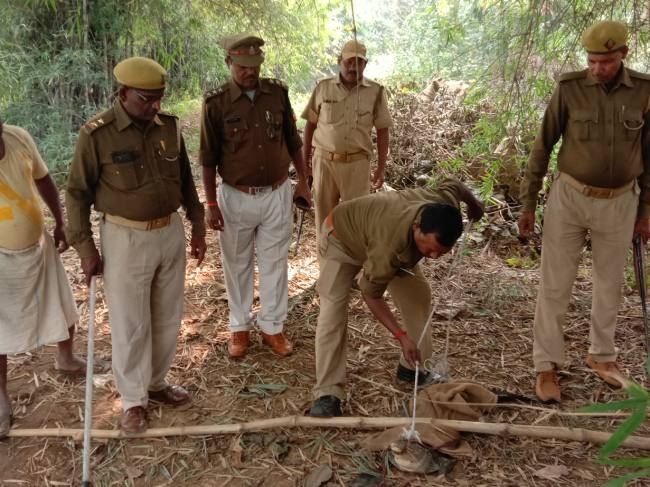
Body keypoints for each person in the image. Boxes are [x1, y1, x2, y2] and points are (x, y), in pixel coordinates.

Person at [65, 57, 207, 433]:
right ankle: (132, 400)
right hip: (125, 237)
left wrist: (198, 224)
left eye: (159, 98)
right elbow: (77, 193)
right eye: (147, 99)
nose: (155, 106)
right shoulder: (97, 134)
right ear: (124, 93)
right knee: (130, 323)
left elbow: (186, 180)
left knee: (166, 315)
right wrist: (86, 249)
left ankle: (156, 384)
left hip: (169, 231)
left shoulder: (169, 127)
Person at [519, 20, 650, 402]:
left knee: (610, 284)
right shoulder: (570, 89)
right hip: (570, 198)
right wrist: (529, 202)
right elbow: (542, 146)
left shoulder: (643, 91)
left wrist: (646, 210)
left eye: (605, 61)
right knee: (555, 284)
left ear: (623, 55)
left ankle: (602, 357)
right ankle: (546, 366)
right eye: (592, 61)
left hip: (621, 201)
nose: (597, 69)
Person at [309, 178, 484, 417]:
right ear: (417, 227)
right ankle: (328, 393)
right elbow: (371, 295)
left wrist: (474, 205)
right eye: (429, 249)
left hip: (383, 237)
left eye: (440, 253)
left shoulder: (443, 204)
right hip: (342, 239)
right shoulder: (389, 245)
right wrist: (400, 335)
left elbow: (455, 185)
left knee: (418, 297)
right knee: (332, 312)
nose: (433, 257)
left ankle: (411, 368)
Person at [200, 34, 312, 359]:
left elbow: (293, 141)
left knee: (275, 262)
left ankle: (272, 327)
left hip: (277, 193)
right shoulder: (216, 104)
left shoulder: (277, 94)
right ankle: (239, 327)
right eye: (243, 66)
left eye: (255, 65)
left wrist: (303, 183)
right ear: (229, 64)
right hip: (236, 196)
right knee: (237, 264)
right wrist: (209, 204)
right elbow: (208, 159)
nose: (250, 72)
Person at [0, 119, 84, 438]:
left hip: (37, 245)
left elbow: (44, 178)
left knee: (61, 302)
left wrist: (61, 221)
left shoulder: (19, 137)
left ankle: (67, 358)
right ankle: (1, 401)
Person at [302, 40, 392, 244]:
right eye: (349, 61)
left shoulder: (375, 91)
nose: (353, 67)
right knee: (324, 222)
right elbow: (310, 126)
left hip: (357, 165)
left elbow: (383, 131)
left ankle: (352, 272)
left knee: (357, 221)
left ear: (365, 65)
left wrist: (380, 168)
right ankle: (326, 272)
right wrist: (305, 163)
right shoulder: (323, 88)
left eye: (359, 62)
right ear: (339, 62)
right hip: (324, 163)